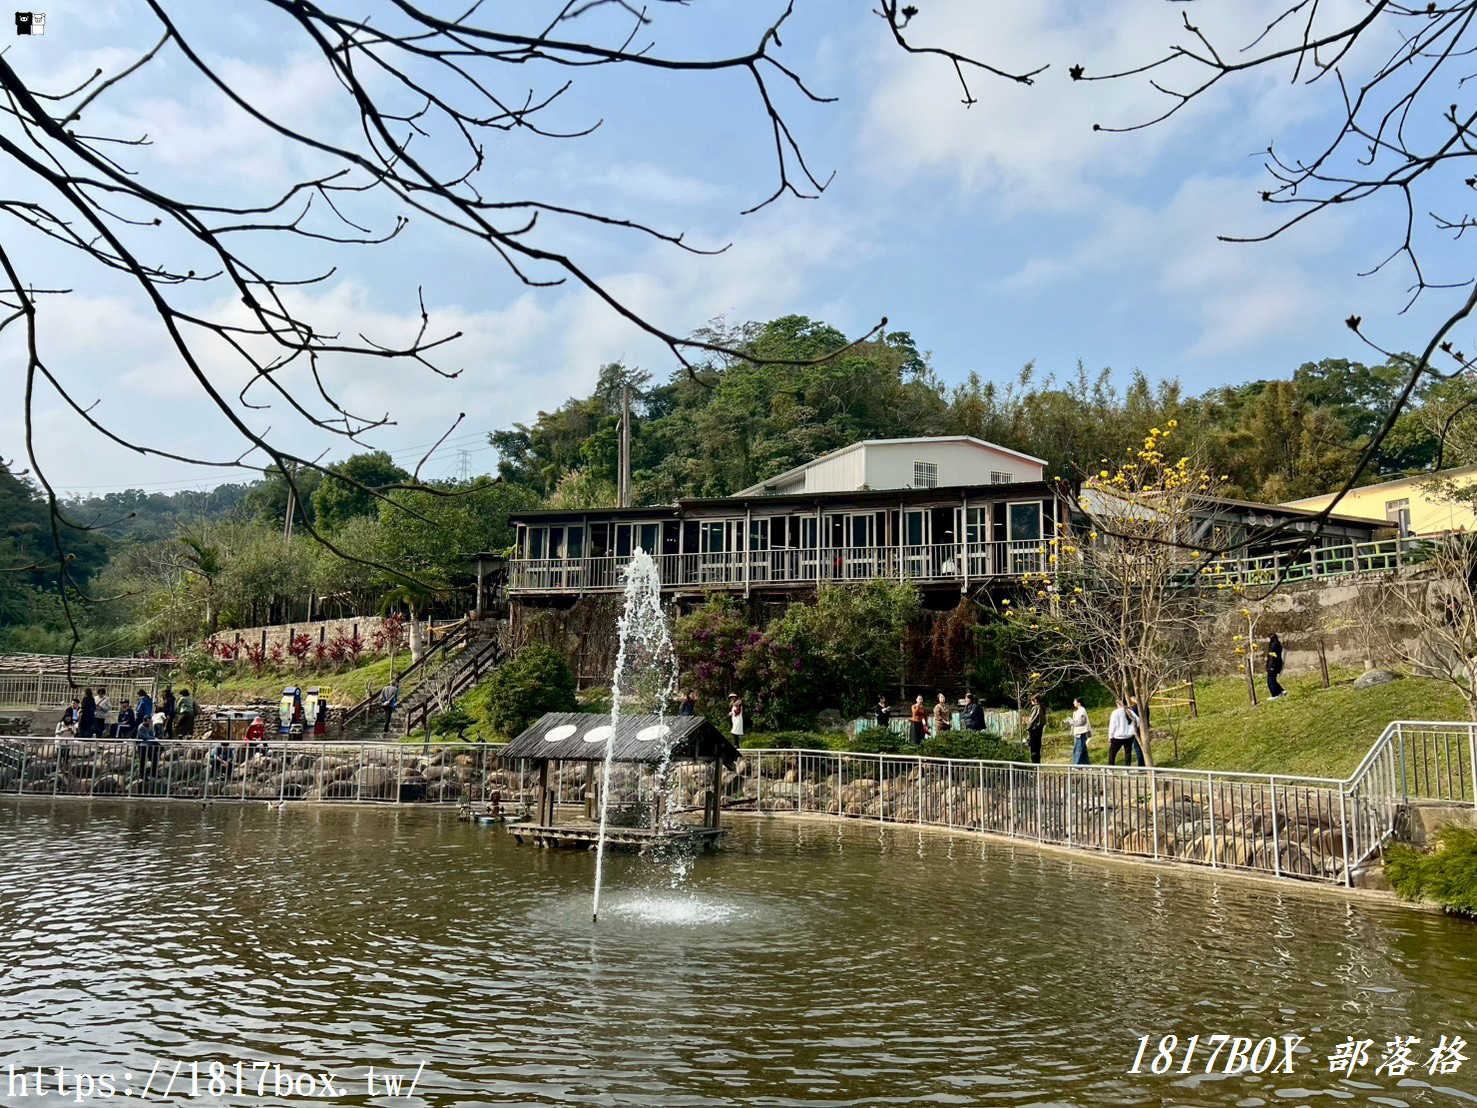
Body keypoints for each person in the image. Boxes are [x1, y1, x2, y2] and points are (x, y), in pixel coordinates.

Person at [1107, 698, 1136, 766]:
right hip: (1129, 736)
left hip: (1118, 736)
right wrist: (1132, 729)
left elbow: (1112, 726)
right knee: (1128, 753)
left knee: (1112, 753)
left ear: (1118, 704)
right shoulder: (1129, 711)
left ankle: (1111, 768)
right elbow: (1138, 720)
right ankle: (1127, 770)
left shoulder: (1115, 712)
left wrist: (1110, 736)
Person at [1069, 697, 1092, 765]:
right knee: (1083, 750)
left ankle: (1076, 765)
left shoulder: (1082, 710)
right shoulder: (1078, 710)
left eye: (1074, 701)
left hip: (1080, 732)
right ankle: (1087, 765)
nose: (1073, 703)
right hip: (1079, 732)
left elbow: (1082, 721)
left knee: (1077, 749)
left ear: (1079, 703)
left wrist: (1073, 722)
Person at [1127, 695, 1148, 766]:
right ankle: (1145, 763)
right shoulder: (1145, 707)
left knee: (1137, 747)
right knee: (1144, 746)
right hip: (1146, 728)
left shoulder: (1134, 708)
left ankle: (1141, 765)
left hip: (1138, 729)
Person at [1025, 694, 1045, 764]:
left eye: (1032, 700)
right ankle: (1037, 765)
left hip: (1034, 730)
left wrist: (1028, 727)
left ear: (1035, 700)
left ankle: (1034, 767)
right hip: (1039, 730)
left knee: (1033, 750)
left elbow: (1032, 720)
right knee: (1037, 749)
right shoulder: (1042, 707)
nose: (1031, 702)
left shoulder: (1036, 707)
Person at [1266, 633, 1285, 699]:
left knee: (1270, 681)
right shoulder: (1278, 644)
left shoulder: (1273, 646)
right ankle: (1281, 691)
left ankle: (1275, 694)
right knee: (1273, 679)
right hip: (1277, 664)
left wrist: (1271, 667)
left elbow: (1272, 657)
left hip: (1273, 665)